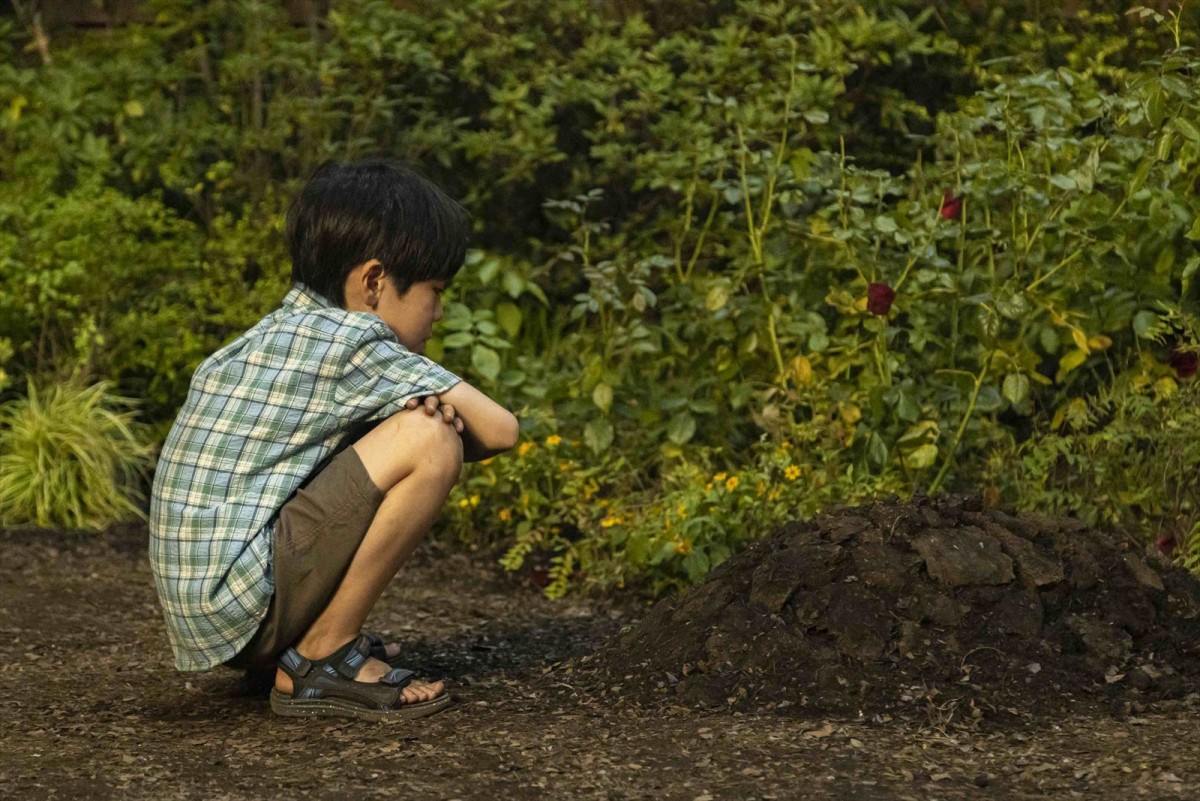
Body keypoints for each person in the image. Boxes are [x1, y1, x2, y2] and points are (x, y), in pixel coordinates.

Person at [149, 159, 519, 721]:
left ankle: (302, 647)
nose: (439, 312)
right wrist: (424, 416)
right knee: (430, 440)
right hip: (245, 607)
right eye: (434, 291)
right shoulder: (353, 338)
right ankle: (323, 654)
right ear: (373, 282)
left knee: (409, 428)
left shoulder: (278, 330)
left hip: (215, 611)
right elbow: (501, 429)